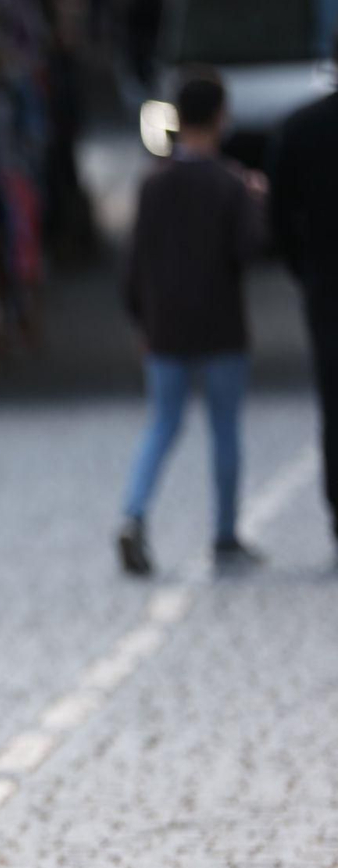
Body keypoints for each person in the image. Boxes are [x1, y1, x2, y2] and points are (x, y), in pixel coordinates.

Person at [119, 71, 266, 575]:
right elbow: (249, 250)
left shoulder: (153, 184)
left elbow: (135, 263)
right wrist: (256, 201)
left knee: (162, 423)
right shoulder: (230, 184)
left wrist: (140, 317)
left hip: (165, 326)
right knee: (225, 430)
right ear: (221, 117)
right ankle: (225, 533)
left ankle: (133, 513)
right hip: (221, 325)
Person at [269, 22, 338, 550]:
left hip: (325, 282)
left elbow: (278, 216)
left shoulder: (300, 128)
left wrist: (303, 266)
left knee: (334, 405)